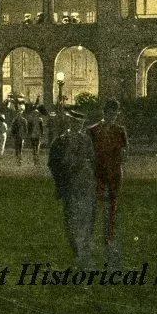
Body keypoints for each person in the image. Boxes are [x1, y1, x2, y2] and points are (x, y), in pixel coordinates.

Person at [49, 109, 96, 270]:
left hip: (85, 185)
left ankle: (83, 251)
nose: (77, 126)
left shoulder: (86, 141)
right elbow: (53, 163)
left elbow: (93, 161)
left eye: (80, 123)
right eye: (74, 122)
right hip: (70, 185)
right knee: (71, 219)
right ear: (70, 123)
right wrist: (60, 181)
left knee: (85, 219)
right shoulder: (61, 141)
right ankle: (77, 251)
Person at [88, 99, 128, 269]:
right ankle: (90, 238)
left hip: (113, 173)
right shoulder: (93, 130)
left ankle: (109, 237)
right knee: (93, 205)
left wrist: (116, 162)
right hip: (98, 172)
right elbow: (88, 152)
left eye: (114, 113)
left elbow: (125, 153)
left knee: (112, 205)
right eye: (109, 113)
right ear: (104, 113)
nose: (112, 116)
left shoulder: (120, 131)